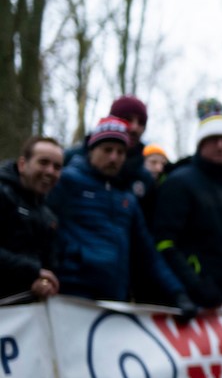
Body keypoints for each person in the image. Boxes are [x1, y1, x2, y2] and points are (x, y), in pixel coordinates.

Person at [47, 118, 196, 316]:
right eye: (107, 150)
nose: (114, 157)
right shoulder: (65, 182)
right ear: (92, 150)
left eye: (120, 152)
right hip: (72, 299)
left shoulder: (127, 199)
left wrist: (178, 294)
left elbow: (148, 252)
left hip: (115, 301)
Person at [153, 99, 222, 308]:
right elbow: (164, 243)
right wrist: (195, 286)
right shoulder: (178, 182)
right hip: (182, 302)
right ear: (201, 143)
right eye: (213, 139)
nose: (220, 145)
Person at [0, 136, 63, 302]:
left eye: (57, 167)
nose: (50, 172)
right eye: (43, 162)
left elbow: (49, 265)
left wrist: (42, 282)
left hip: (23, 315)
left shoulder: (49, 216)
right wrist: (34, 272)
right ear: (22, 164)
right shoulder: (3, 195)